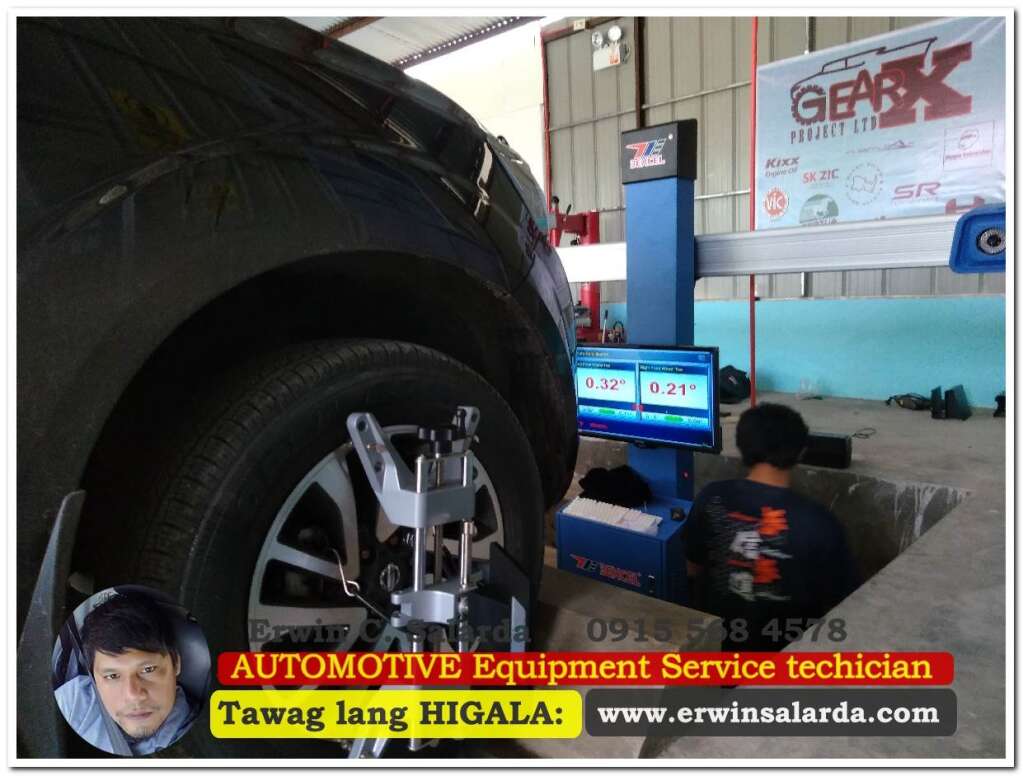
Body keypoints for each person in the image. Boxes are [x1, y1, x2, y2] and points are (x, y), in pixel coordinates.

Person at [685, 403, 859, 651]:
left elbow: (692, 568)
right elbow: (847, 603)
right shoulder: (819, 522)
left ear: (741, 446)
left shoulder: (711, 497)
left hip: (714, 649)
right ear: (801, 452)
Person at [54, 592, 194, 755]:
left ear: (175, 664)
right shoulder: (75, 702)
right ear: (94, 678)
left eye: (148, 670)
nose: (133, 695)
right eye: (112, 676)